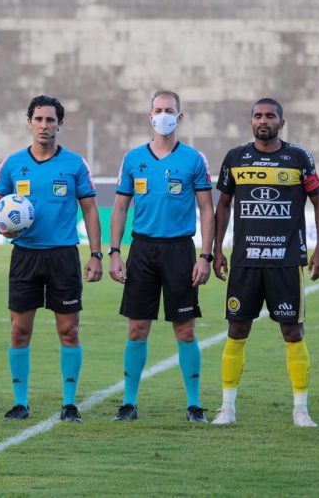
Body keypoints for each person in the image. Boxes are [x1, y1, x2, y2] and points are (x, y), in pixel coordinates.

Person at [211, 97, 319, 427]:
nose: (264, 120)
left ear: (282, 121)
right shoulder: (235, 158)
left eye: (270, 116)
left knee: (293, 331)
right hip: (245, 261)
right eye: (258, 116)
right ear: (251, 122)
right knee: (237, 329)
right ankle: (227, 409)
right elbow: (223, 205)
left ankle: (301, 410)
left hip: (286, 262)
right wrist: (217, 249)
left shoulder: (298, 158)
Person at [0, 95, 103, 423]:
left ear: (59, 125)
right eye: (38, 119)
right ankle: (20, 403)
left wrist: (96, 254)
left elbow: (90, 209)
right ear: (29, 122)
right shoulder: (12, 164)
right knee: (19, 331)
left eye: (50, 120)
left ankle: (69, 404)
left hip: (63, 256)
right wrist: (2, 225)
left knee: (69, 330)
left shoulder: (74, 164)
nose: (44, 125)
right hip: (25, 256)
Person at [109, 90, 214, 423]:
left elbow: (207, 211)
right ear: (149, 116)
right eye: (158, 110)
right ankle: (129, 403)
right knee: (137, 329)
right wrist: (114, 252)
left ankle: (194, 404)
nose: (163, 115)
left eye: (170, 110)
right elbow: (121, 208)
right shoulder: (133, 159)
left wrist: (205, 256)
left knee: (185, 330)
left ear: (179, 117)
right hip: (142, 250)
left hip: (180, 251)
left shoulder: (194, 160)